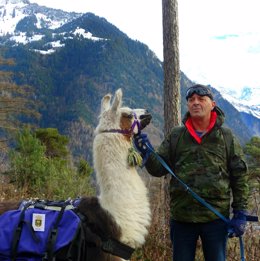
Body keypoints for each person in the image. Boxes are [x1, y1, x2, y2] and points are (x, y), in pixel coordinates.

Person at [134, 84, 249, 261]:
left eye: (201, 99)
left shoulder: (225, 137)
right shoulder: (176, 135)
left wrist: (240, 212)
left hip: (215, 219)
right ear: (187, 104)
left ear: (212, 104)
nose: (196, 103)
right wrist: (146, 151)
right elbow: (158, 169)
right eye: (191, 100)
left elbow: (239, 175)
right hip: (182, 219)